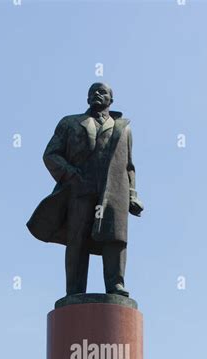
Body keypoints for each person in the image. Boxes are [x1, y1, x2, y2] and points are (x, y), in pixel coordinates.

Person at [27, 82, 144, 297]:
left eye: (102, 92)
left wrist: (132, 194)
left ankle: (115, 285)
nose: (97, 94)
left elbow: (129, 165)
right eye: (92, 92)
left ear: (111, 99)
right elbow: (50, 155)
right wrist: (71, 174)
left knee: (115, 239)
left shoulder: (124, 128)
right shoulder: (70, 123)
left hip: (113, 192)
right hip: (80, 190)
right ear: (87, 98)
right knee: (77, 240)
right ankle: (74, 290)